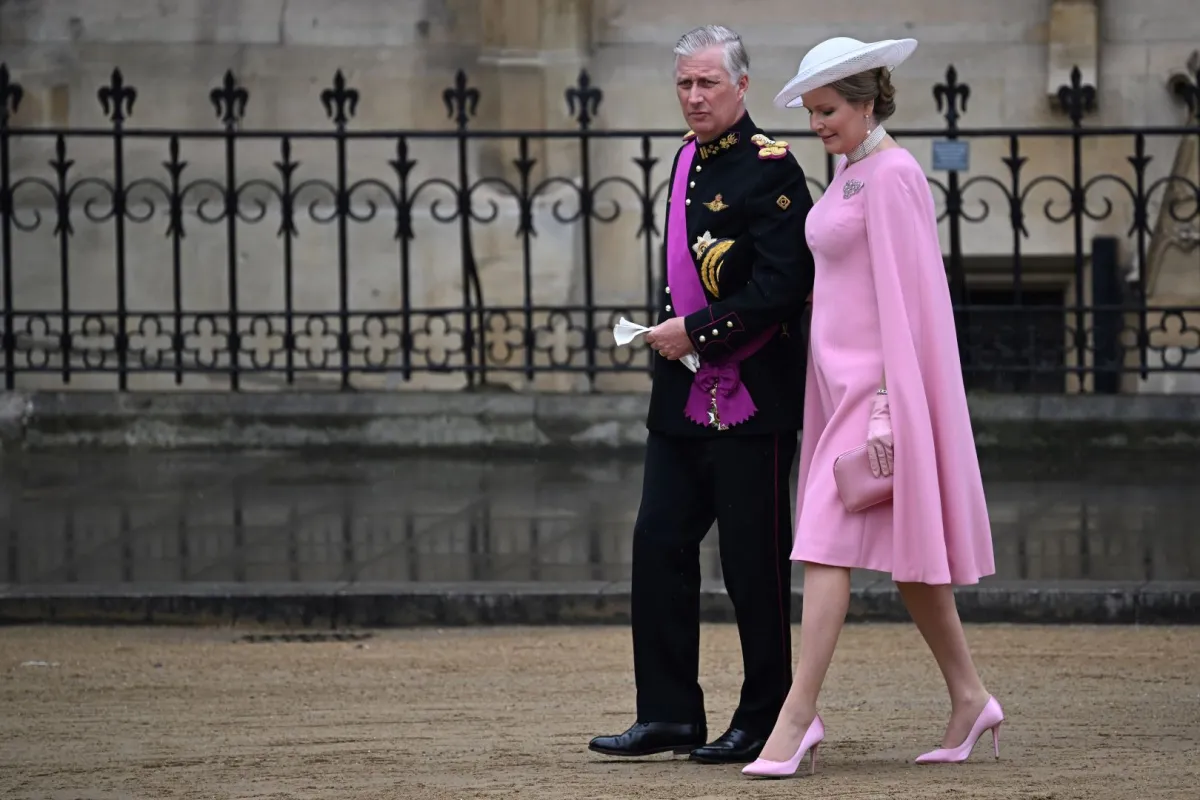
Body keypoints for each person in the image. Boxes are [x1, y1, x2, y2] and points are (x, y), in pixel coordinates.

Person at [740, 36, 1002, 779]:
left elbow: (909, 300)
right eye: (812, 111)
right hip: (837, 389)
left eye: (827, 110)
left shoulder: (893, 175)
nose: (816, 123)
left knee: (823, 542)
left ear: (864, 102)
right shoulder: (852, 171)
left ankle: (797, 717)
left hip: (874, 396)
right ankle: (970, 697)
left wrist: (889, 407)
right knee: (912, 563)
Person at [587, 25, 816, 765]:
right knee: (658, 545)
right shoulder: (686, 158)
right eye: (684, 83)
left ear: (741, 86)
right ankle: (668, 714)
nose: (693, 97)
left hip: (753, 396)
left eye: (707, 83)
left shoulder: (773, 168)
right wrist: (681, 340)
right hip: (682, 396)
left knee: (752, 564)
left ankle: (767, 717)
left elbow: (784, 284)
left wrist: (697, 332)